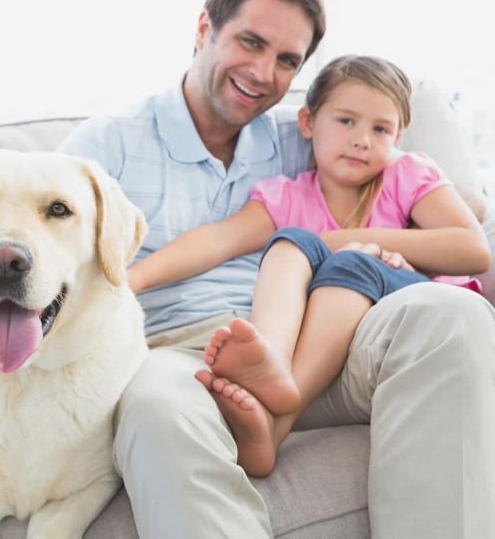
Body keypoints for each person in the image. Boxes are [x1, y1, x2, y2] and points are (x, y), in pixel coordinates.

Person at [56, 0, 495, 538]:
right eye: (250, 42)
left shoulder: (311, 138)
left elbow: (430, 197)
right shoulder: (105, 144)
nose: (264, 72)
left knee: (453, 314)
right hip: (179, 350)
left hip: (320, 343)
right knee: (158, 407)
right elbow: (23, 246)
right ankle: (265, 418)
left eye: (287, 60)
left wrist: (394, 248)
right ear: (203, 28)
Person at [124, 54, 490, 477]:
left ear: (398, 137)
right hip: (336, 329)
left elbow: (473, 249)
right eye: (346, 121)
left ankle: (279, 414)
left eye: (380, 129)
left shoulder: (405, 174)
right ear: (308, 123)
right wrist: (133, 277)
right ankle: (273, 368)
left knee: (347, 258)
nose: (362, 140)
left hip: (407, 307)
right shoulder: (289, 197)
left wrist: (349, 244)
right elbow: (218, 239)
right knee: (289, 242)